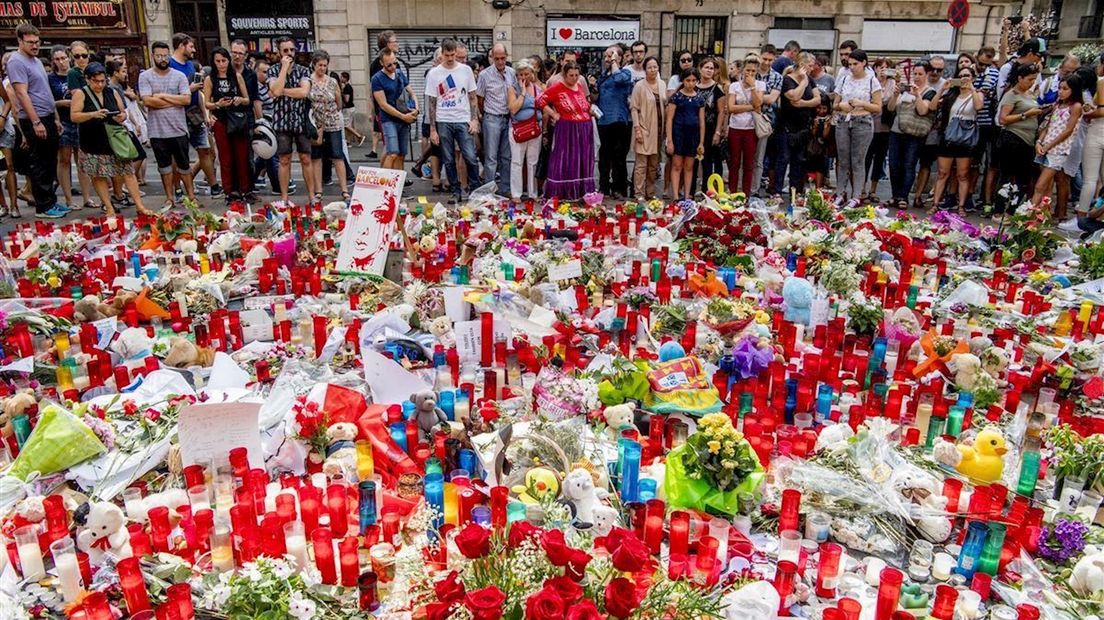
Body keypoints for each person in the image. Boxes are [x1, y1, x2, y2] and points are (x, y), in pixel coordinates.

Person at [70, 63, 147, 216]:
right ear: (87, 79)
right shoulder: (81, 93)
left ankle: (140, 206)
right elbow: (74, 116)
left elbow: (123, 112)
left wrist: (121, 116)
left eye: (102, 81)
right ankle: (108, 207)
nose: (99, 84)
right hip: (93, 140)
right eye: (95, 81)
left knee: (127, 171)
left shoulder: (112, 92)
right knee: (98, 175)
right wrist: (93, 114)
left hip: (115, 138)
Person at [9, 24, 67, 218]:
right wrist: (35, 122)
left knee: (50, 161)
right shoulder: (17, 61)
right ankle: (43, 206)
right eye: (30, 42)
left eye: (37, 42)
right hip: (35, 118)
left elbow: (46, 91)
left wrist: (55, 117)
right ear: (20, 41)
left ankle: (51, 201)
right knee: (40, 163)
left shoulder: (36, 61)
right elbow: (21, 93)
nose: (35, 46)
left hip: (48, 115)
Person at [140, 40, 196, 209]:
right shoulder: (145, 76)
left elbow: (186, 99)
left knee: (184, 165)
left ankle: (191, 196)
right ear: (153, 56)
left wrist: (161, 96)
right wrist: (173, 101)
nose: (162, 59)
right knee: (164, 167)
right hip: (157, 131)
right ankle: (169, 198)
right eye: (159, 56)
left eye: (165, 55)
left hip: (178, 128)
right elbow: (148, 101)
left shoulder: (178, 75)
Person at [426, 39, 480, 204]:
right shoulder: (434, 73)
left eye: (452, 55)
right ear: (442, 53)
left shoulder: (465, 70)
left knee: (470, 156)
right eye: (446, 55)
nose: (449, 58)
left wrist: (474, 119)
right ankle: (455, 191)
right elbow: (432, 102)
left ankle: (474, 190)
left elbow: (472, 97)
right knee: (448, 159)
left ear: (456, 53)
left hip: (463, 119)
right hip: (443, 120)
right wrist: (432, 129)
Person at [169, 33, 220, 197]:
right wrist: (188, 90)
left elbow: (197, 92)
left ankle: (214, 186)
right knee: (178, 155)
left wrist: (204, 113)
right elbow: (168, 93)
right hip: (177, 114)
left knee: (205, 150)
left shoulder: (190, 65)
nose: (194, 50)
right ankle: (177, 188)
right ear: (181, 46)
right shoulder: (169, 66)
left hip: (194, 113)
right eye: (191, 46)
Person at [930, 66, 984, 215]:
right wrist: (942, 89)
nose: (964, 78)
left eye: (967, 75)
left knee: (962, 174)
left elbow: (979, 106)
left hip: (965, 139)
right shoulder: (951, 95)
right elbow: (933, 106)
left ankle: (961, 206)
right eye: (961, 76)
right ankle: (935, 204)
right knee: (942, 173)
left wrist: (971, 88)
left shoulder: (976, 94)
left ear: (973, 77)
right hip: (949, 137)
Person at [267, 36, 314, 205]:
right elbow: (275, 89)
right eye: (285, 50)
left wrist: (282, 91)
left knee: (306, 158)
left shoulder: (303, 70)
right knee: (284, 159)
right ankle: (285, 198)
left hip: (300, 120)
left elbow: (303, 92)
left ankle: (312, 196)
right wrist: (283, 70)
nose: (289, 53)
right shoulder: (272, 70)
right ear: (279, 52)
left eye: (292, 50)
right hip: (282, 121)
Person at [537, 60, 594, 200]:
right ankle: (563, 192)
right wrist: (553, 114)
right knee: (566, 159)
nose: (574, 78)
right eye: (571, 75)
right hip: (567, 129)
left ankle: (581, 192)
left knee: (582, 160)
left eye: (576, 75)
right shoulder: (557, 87)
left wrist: (589, 109)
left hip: (584, 128)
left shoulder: (579, 86)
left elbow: (583, 104)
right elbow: (539, 100)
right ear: (564, 74)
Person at [202, 47, 253, 203]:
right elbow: (206, 103)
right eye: (218, 61)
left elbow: (247, 99)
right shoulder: (210, 79)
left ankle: (245, 189)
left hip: (237, 120)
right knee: (225, 158)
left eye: (224, 61)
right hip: (221, 120)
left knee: (242, 156)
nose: (221, 64)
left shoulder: (236, 77)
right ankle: (229, 191)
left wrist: (239, 100)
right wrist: (217, 104)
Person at [833, 49, 882, 202]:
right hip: (843, 121)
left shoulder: (871, 80)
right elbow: (834, 104)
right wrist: (841, 105)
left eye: (855, 64)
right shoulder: (844, 79)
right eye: (850, 64)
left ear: (864, 63)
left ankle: (857, 195)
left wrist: (862, 104)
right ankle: (840, 193)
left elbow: (878, 107)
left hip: (863, 122)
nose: (852, 67)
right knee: (842, 160)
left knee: (858, 161)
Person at [50, 45, 95, 211]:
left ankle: (87, 197)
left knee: (82, 159)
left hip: (81, 120)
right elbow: (49, 102)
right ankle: (69, 199)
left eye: (63, 58)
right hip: (64, 119)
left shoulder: (78, 74)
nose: (62, 62)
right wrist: (59, 109)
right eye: (57, 59)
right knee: (65, 159)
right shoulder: (52, 78)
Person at [1032, 75, 1083, 219]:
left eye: (1065, 89)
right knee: (1046, 187)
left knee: (1040, 185)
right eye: (1060, 88)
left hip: (1058, 150)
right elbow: (1047, 127)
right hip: (1046, 147)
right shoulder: (1057, 105)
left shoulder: (1076, 106)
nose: (1061, 91)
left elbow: (1068, 130)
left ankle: (1029, 215)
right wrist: (1039, 142)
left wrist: (1049, 145)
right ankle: (1042, 216)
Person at [887, 63, 937, 210]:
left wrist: (918, 95)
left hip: (915, 134)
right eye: (915, 73)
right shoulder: (906, 89)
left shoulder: (930, 92)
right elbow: (891, 108)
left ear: (927, 75)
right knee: (894, 164)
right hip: (897, 130)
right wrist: (896, 94)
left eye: (920, 74)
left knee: (909, 164)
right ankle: (895, 195)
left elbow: (923, 111)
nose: (917, 77)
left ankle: (903, 196)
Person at [995, 62, 1043, 213]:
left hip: (1028, 141)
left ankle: (1013, 209)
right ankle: (999, 210)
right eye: (1029, 79)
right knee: (1007, 177)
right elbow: (1003, 119)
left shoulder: (1030, 94)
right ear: (1020, 78)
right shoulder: (1011, 95)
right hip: (1013, 138)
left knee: (1023, 178)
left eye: (1034, 79)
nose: (1032, 83)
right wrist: (1025, 115)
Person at [774, 53, 821, 198]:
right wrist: (802, 83)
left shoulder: (811, 80)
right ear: (802, 65)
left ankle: (795, 191)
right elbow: (793, 96)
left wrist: (803, 104)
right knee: (783, 158)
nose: (812, 68)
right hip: (786, 126)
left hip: (802, 127)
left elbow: (818, 99)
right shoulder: (787, 79)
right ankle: (776, 191)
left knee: (798, 160)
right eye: (810, 65)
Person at [307, 51, 349, 203]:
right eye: (320, 65)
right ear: (314, 64)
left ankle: (344, 189)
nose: (322, 68)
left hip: (332, 122)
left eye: (325, 65)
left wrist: (334, 108)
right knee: (316, 157)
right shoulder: (308, 80)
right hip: (315, 123)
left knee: (337, 155)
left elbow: (339, 103)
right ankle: (318, 190)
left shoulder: (332, 81)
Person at [106, 59, 148, 207]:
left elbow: (125, 110)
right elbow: (120, 110)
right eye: (122, 71)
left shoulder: (118, 87)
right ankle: (120, 190)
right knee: (135, 155)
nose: (125, 74)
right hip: (120, 129)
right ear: (115, 73)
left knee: (132, 157)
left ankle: (121, 190)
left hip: (125, 125)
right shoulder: (112, 88)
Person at [476, 44, 517, 196]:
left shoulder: (512, 73)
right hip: (492, 118)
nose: (500, 62)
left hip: (508, 118)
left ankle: (505, 189)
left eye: (503, 58)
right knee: (491, 157)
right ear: (492, 58)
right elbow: (480, 99)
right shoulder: (484, 75)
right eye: (497, 59)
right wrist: (484, 115)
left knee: (507, 156)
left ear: (506, 57)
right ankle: (489, 191)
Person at [371, 47, 419, 173]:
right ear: (382, 63)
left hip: (404, 118)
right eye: (389, 65)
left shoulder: (399, 73)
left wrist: (416, 109)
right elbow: (383, 105)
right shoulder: (377, 78)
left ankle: (399, 185)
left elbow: (411, 92)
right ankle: (386, 185)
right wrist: (403, 117)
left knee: (401, 154)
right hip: (389, 120)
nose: (393, 67)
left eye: (395, 63)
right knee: (392, 152)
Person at [595, 45, 633, 198]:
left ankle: (618, 188)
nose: (607, 59)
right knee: (604, 156)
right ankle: (604, 187)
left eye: (611, 55)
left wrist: (615, 62)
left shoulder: (625, 73)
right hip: (603, 120)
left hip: (618, 119)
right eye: (605, 56)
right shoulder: (603, 76)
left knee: (618, 156)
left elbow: (618, 79)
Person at [913, 56, 947, 209]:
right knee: (909, 162)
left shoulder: (945, 85)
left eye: (939, 70)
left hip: (933, 130)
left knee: (925, 164)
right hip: (914, 128)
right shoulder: (918, 82)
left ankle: (918, 195)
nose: (935, 72)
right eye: (932, 68)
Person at [727, 54, 763, 196]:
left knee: (749, 164)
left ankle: (746, 194)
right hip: (735, 127)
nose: (750, 74)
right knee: (734, 162)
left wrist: (753, 87)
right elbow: (731, 107)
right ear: (742, 70)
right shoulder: (734, 86)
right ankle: (732, 192)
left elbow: (759, 105)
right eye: (748, 70)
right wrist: (751, 107)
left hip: (751, 128)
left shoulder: (760, 85)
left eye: (753, 71)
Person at [505, 58, 542, 199]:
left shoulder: (537, 89)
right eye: (520, 75)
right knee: (517, 161)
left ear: (531, 74)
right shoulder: (512, 89)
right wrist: (522, 92)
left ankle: (533, 193)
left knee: (533, 161)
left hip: (534, 129)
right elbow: (513, 109)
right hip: (517, 129)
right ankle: (516, 193)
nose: (523, 77)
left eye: (526, 74)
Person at [666, 68, 704, 200]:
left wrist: (701, 142)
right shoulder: (676, 97)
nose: (691, 83)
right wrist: (669, 140)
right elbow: (669, 118)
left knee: (689, 166)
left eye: (694, 80)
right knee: (677, 165)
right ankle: (676, 195)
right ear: (683, 80)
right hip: (678, 134)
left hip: (693, 135)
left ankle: (687, 196)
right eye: (688, 80)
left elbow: (701, 121)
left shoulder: (699, 98)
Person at [630, 56, 665, 201]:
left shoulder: (662, 84)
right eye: (649, 67)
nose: (652, 70)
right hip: (644, 129)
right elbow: (634, 108)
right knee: (641, 165)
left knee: (653, 165)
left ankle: (650, 192)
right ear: (645, 70)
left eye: (655, 67)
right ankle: (639, 193)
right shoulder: (639, 86)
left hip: (658, 131)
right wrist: (637, 128)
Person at [974, 45, 1003, 209]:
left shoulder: (992, 73)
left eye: (987, 64)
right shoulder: (972, 71)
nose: (983, 67)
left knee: (990, 164)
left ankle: (986, 200)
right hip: (973, 122)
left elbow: (984, 91)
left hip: (989, 124)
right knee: (973, 163)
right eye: (981, 63)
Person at [863, 58, 895, 201]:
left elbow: (889, 103)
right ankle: (862, 188)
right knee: (866, 158)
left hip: (885, 127)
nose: (883, 70)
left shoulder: (893, 84)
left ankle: (873, 190)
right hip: (869, 125)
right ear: (874, 68)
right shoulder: (870, 82)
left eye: (886, 67)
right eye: (880, 67)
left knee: (880, 159)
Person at [752, 44, 783, 195]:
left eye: (770, 60)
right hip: (748, 116)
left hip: (765, 119)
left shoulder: (777, 77)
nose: (766, 62)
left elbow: (772, 99)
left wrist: (756, 96)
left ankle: (755, 189)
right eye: (764, 59)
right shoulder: (751, 72)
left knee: (760, 157)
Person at [1078, 55, 1104, 215]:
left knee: (1090, 179)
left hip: (1097, 131)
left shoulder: (1101, 82)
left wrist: (1088, 113)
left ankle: (1081, 216)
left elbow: (1102, 110)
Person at [368, 31, 400, 159]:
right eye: (394, 41)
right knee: (389, 148)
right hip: (386, 112)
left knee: (395, 149)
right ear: (387, 45)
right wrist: (373, 111)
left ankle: (397, 177)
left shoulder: (394, 62)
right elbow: (376, 92)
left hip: (396, 110)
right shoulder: (377, 65)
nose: (397, 43)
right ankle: (386, 177)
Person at [698, 57, 727, 191]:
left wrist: (718, 131)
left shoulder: (718, 89)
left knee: (711, 160)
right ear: (700, 68)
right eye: (707, 67)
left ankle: (710, 190)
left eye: (712, 68)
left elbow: (721, 111)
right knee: (699, 161)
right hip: (696, 128)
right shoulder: (694, 86)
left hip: (711, 128)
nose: (709, 70)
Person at [808, 101, 834, 188]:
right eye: (819, 108)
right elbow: (812, 134)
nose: (821, 111)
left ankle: (819, 188)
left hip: (823, 146)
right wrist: (815, 125)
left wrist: (827, 125)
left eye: (824, 108)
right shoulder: (812, 118)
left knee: (821, 166)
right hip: (811, 146)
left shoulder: (829, 119)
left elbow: (825, 136)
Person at [340, 71, 365, 146]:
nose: (340, 78)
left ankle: (359, 136)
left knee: (345, 125)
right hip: (351, 108)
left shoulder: (347, 87)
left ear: (345, 78)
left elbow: (347, 99)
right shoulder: (348, 87)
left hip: (348, 108)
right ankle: (348, 142)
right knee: (349, 125)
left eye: (341, 77)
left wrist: (341, 94)